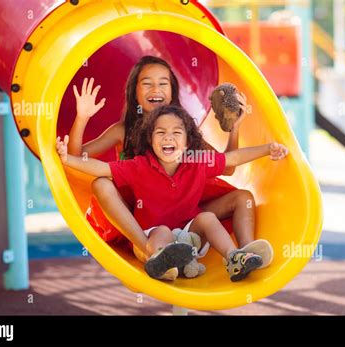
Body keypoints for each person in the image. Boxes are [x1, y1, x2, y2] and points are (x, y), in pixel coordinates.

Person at [68, 55, 272, 268]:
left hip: (184, 215)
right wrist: (82, 117)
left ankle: (246, 255)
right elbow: (77, 156)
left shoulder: (182, 131)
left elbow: (228, 167)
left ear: (172, 92)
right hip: (144, 221)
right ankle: (148, 248)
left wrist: (235, 129)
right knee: (101, 182)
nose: (155, 89)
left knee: (243, 198)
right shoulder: (123, 131)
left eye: (163, 84)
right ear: (134, 92)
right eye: (147, 83)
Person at [57, 105, 289, 281]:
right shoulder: (140, 166)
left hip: (190, 234)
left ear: (188, 143)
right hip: (153, 234)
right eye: (161, 133)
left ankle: (235, 257)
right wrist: (68, 160)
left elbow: (233, 158)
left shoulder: (197, 161)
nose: (168, 137)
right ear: (150, 140)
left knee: (207, 218)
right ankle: (161, 262)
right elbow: (101, 169)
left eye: (177, 133)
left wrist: (268, 149)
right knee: (163, 232)